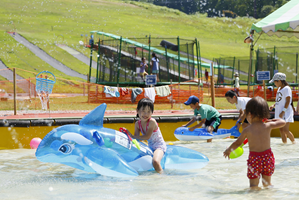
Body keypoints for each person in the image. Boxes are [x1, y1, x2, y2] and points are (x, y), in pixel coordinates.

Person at [223, 96, 286, 190]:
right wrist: (269, 120)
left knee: (253, 185)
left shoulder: (247, 129)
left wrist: (228, 150)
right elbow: (283, 122)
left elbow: (237, 143)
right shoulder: (268, 125)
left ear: (250, 114)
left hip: (254, 159)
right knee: (267, 184)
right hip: (267, 157)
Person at [123, 98, 166, 173]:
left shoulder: (152, 122)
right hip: (149, 147)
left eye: (148, 111)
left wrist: (132, 136)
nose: (146, 114)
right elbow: (137, 139)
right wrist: (127, 135)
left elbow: (147, 137)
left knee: (155, 161)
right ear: (137, 111)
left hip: (159, 146)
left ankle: (162, 177)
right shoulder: (137, 124)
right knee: (135, 162)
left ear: (152, 113)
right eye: (143, 111)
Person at [269, 72, 296, 144]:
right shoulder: (279, 88)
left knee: (285, 130)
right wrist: (273, 105)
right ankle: (284, 144)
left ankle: (294, 143)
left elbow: (288, 101)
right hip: (279, 112)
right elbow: (280, 100)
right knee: (281, 130)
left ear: (279, 81)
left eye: (275, 82)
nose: (274, 84)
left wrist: (283, 112)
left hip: (285, 112)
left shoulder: (286, 89)